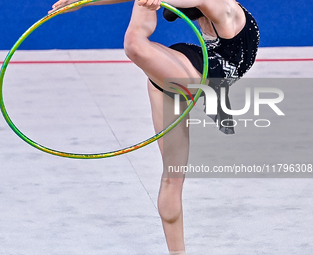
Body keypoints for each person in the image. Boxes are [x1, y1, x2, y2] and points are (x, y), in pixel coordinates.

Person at [50, 0, 259, 254]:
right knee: (171, 178)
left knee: (134, 44)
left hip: (201, 71)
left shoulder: (222, 5)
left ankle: (212, 94)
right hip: (179, 71)